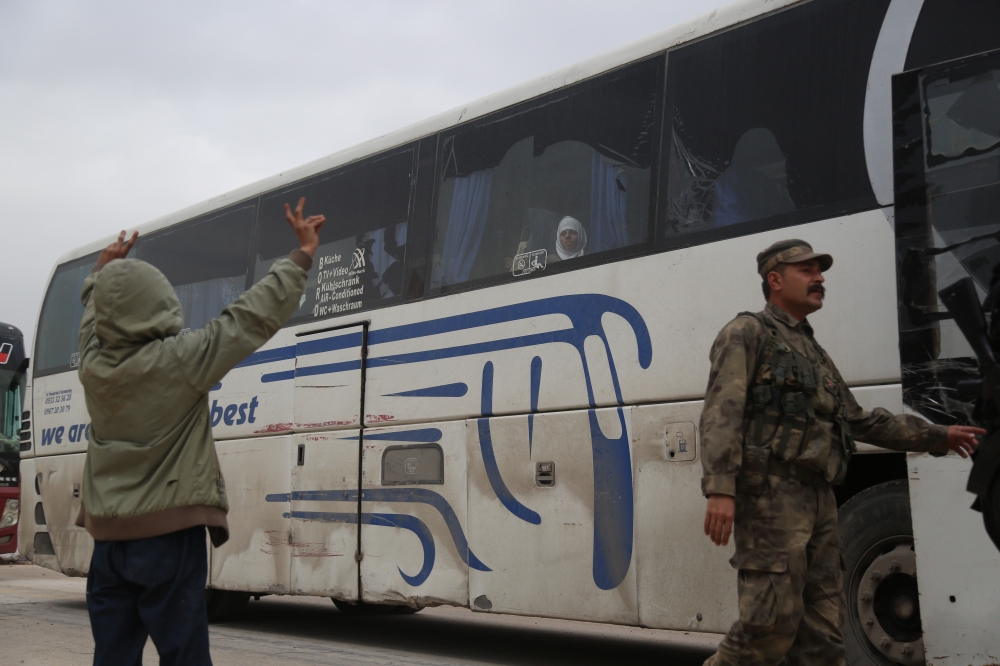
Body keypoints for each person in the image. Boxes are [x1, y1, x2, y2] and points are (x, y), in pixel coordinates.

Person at [699, 239, 983, 666]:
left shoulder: (813, 352)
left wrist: (937, 436)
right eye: (806, 270)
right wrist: (721, 488)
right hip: (770, 499)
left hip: (819, 501)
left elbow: (861, 420)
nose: (819, 278)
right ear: (774, 280)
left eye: (819, 269)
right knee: (767, 629)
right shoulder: (746, 333)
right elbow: (722, 413)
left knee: (823, 636)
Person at [75, 198, 325, 666]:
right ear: (159, 303)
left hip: (107, 543)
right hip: (168, 540)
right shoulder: (182, 361)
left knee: (112, 656)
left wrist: (99, 278)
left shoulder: (93, 368)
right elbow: (248, 319)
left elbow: (92, 327)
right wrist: (301, 256)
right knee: (184, 654)